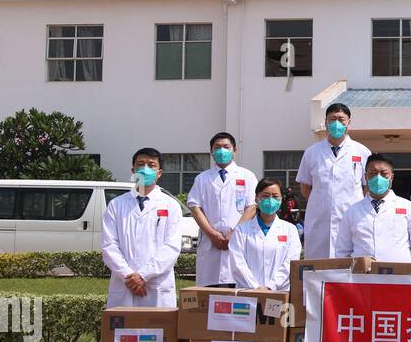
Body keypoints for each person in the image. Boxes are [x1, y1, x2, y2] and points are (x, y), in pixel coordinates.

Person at [101, 148, 184, 308]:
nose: (145, 169)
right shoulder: (116, 205)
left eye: (151, 165)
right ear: (133, 171)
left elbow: (171, 247)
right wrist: (129, 277)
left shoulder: (171, 205)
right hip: (125, 285)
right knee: (124, 331)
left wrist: (143, 276)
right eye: (140, 164)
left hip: (156, 286)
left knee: (157, 331)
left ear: (159, 173)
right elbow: (109, 246)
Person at [296, 103, 371, 260]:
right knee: (318, 269)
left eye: (341, 119)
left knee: (349, 267)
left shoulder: (362, 152)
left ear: (348, 122)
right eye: (333, 119)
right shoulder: (311, 153)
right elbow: (305, 188)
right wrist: (322, 203)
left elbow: (366, 187)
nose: (337, 123)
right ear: (326, 122)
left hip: (351, 217)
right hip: (319, 220)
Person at [186, 132, 258, 285]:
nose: (222, 151)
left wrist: (234, 233)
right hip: (210, 243)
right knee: (209, 292)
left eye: (226, 147)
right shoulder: (202, 178)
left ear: (234, 150)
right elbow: (195, 207)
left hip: (238, 239)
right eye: (217, 147)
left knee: (238, 289)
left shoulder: (247, 176)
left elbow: (251, 207)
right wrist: (212, 234)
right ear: (211, 152)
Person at [335, 154, 411, 263]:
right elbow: (342, 252)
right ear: (365, 177)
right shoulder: (351, 212)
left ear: (392, 177)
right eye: (373, 173)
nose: (378, 178)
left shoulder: (410, 208)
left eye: (384, 173)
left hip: (400, 277)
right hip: (362, 277)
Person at [227, 178, 301, 291]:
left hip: (279, 292)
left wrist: (270, 287)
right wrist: (256, 288)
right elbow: (237, 263)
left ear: (281, 200)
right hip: (248, 293)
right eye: (265, 196)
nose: (270, 200)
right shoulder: (241, 230)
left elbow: (290, 262)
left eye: (275, 196)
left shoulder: (290, 230)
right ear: (256, 199)